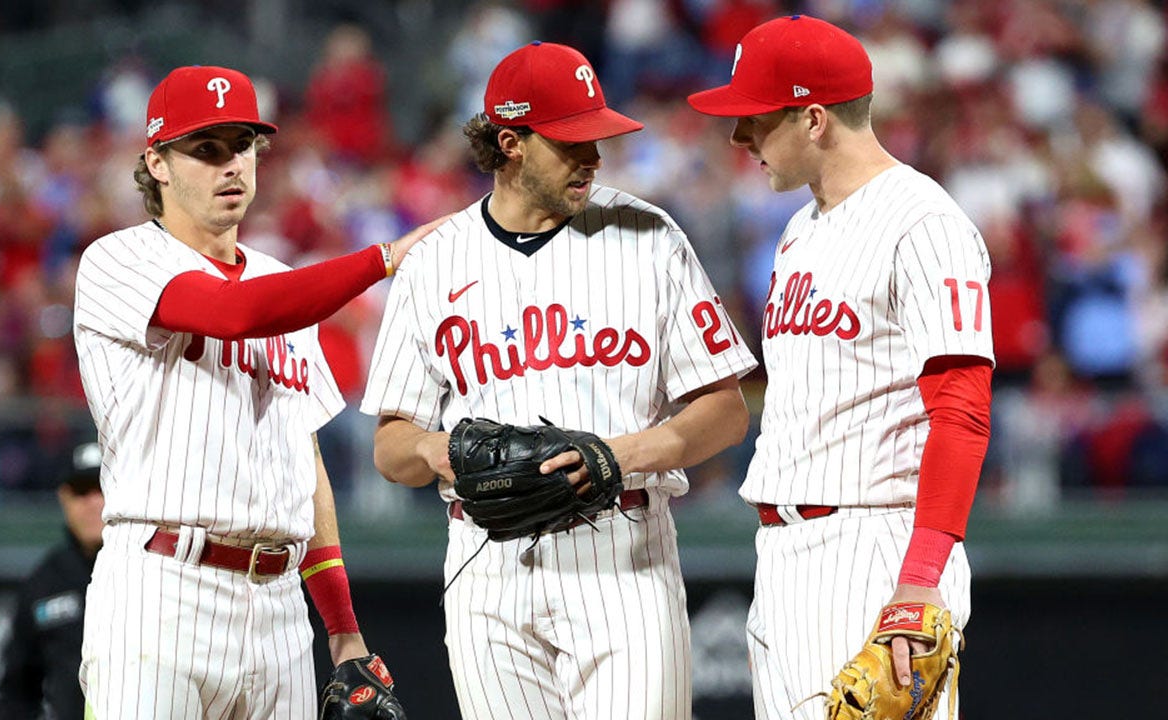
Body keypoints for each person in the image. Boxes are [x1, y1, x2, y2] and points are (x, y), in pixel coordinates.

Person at [361, 41, 758, 720]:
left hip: (619, 549)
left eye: (596, 138)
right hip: (485, 560)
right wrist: (442, 450)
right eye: (571, 141)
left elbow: (726, 410)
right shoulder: (434, 262)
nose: (593, 158)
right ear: (510, 143)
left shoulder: (649, 236)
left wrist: (619, 454)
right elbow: (391, 446)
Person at [73, 65, 443, 718]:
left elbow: (307, 466)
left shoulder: (281, 283)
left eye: (242, 145)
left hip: (277, 610)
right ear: (157, 162)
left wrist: (342, 628)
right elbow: (234, 314)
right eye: (206, 150)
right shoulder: (118, 260)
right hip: (161, 591)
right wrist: (381, 258)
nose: (230, 166)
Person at [686, 15, 995, 719]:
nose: (738, 138)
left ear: (814, 119)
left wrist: (919, 582)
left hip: (875, 549)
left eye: (755, 121)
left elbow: (964, 410)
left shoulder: (924, 224)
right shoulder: (800, 228)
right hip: (786, 550)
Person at [0, 442, 104, 720]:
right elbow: (18, 687)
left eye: (103, 489)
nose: (94, 502)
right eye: (82, 491)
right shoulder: (43, 583)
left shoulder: (152, 572)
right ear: (64, 497)